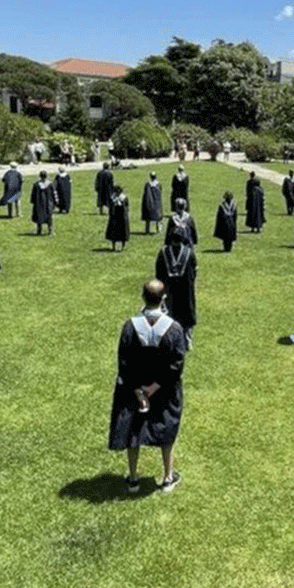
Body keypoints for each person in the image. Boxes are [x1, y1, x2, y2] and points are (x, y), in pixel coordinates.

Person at [108, 280, 187, 494]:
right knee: (166, 427)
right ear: (163, 298)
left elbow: (123, 361)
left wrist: (138, 390)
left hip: (135, 389)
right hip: (165, 390)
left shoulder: (130, 327)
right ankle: (168, 477)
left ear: (143, 297)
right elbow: (176, 364)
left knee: (134, 429)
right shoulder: (174, 329)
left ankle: (133, 478)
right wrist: (155, 387)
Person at [155, 228, 197, 350]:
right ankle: (187, 341)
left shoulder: (163, 253)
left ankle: (168, 340)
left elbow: (158, 273)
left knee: (169, 314)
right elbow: (194, 271)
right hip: (186, 290)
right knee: (186, 315)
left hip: (169, 290)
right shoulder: (189, 253)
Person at [30, 170, 57, 235]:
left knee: (39, 216)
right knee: (49, 217)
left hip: (38, 203)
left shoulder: (36, 184)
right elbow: (54, 193)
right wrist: (56, 201)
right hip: (48, 203)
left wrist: (33, 201)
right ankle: (50, 231)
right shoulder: (50, 184)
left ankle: (39, 231)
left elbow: (33, 194)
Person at [105, 185, 130, 251]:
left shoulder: (113, 198)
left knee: (115, 232)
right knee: (120, 232)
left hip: (115, 217)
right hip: (121, 217)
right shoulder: (124, 198)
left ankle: (116, 247)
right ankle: (121, 247)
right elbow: (127, 207)